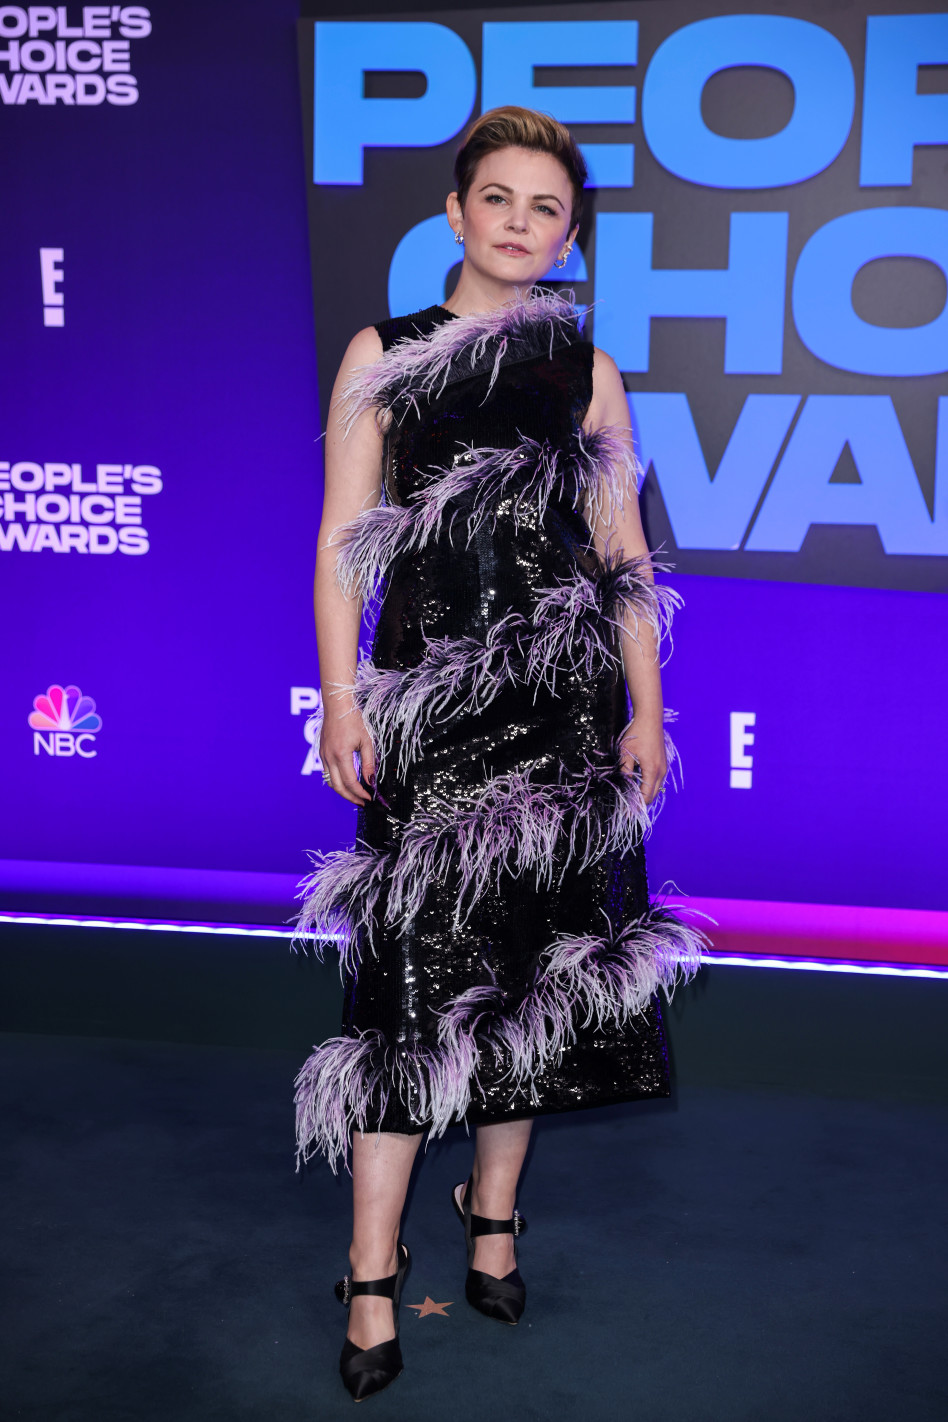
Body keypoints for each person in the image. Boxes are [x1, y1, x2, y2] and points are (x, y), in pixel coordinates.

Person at [294, 106, 708, 1402]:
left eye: (548, 209)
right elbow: (339, 538)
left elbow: (625, 555)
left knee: (527, 984)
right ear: (458, 212)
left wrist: (643, 708)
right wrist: (342, 695)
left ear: (568, 232)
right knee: (408, 994)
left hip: (561, 723)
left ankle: (494, 1213)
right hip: (424, 712)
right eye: (500, 199)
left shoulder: (586, 370)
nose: (522, 224)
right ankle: (370, 1270)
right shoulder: (386, 353)